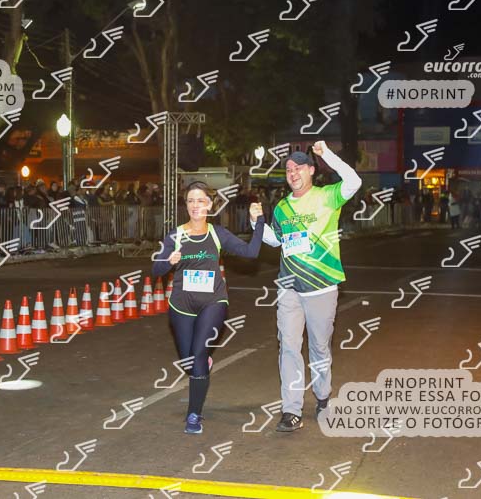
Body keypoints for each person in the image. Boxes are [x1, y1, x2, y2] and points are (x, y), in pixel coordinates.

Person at [255, 141, 362, 432]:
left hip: (322, 286)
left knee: (319, 347)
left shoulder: (327, 196)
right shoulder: (282, 207)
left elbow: (354, 181)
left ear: (312, 170)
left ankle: (323, 396)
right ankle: (291, 410)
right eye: (289, 169)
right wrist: (257, 224)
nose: (293, 173)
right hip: (289, 287)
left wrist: (327, 155)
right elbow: (277, 241)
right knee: (288, 347)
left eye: (299, 168)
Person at [152, 181, 265, 434]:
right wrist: (168, 261)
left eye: (200, 200)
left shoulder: (217, 234)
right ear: (186, 205)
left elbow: (251, 252)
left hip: (213, 302)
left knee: (198, 356)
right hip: (181, 305)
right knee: (189, 362)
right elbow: (156, 270)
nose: (195, 205)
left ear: (209, 205)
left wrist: (258, 223)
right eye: (191, 201)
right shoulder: (175, 236)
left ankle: (193, 415)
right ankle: (200, 363)